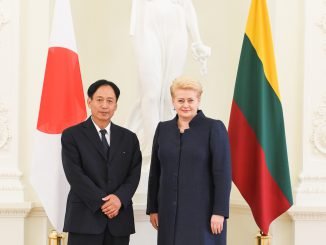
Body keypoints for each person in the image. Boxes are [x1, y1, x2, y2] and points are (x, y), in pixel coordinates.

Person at [146, 77, 232, 245]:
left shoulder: (214, 128)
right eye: (180, 100)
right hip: (168, 213)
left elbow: (223, 173)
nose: (185, 105)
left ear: (198, 101)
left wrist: (219, 212)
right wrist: (153, 208)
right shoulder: (163, 129)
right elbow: (155, 172)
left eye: (190, 100)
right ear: (173, 101)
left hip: (204, 214)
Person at [61, 79, 142, 245]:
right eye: (99, 100)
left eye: (110, 101)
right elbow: (75, 174)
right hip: (85, 219)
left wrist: (119, 199)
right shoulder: (72, 135)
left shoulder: (129, 138)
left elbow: (134, 174)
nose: (105, 105)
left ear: (116, 106)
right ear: (89, 102)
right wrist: (103, 203)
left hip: (119, 220)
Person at [128, 0, 211, 156]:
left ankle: (168, 151)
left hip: (176, 20)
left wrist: (198, 41)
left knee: (169, 95)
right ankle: (155, 152)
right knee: (151, 94)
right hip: (147, 18)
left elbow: (187, 5)